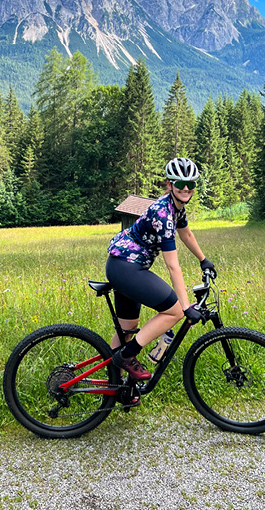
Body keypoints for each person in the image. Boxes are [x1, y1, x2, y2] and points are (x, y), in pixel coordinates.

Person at [106, 157, 216, 381]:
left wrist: (204, 259)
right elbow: (172, 265)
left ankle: (117, 388)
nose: (186, 188)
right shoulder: (163, 214)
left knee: (127, 330)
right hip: (127, 267)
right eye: (179, 183)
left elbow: (186, 233)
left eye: (191, 184)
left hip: (123, 265)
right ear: (169, 184)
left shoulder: (176, 207)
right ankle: (128, 356)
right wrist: (185, 307)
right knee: (173, 311)